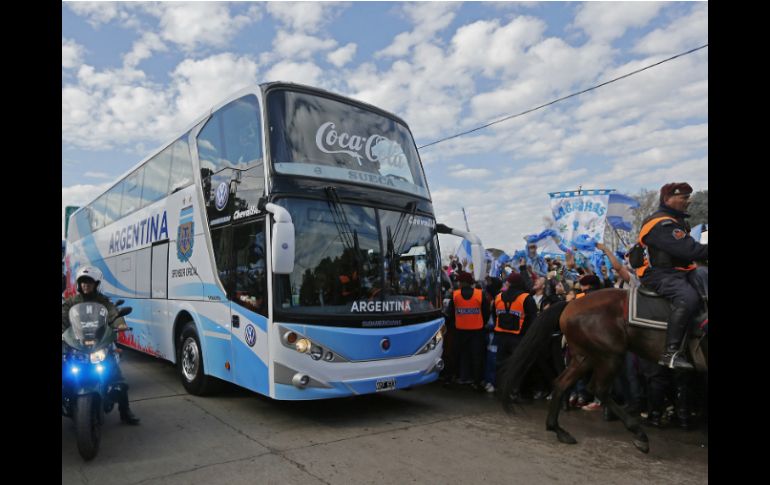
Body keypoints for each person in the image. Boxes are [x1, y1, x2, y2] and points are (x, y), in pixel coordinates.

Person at [637, 182, 708, 370]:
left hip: (680, 271)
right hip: (660, 274)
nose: (688, 201)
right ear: (668, 199)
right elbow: (689, 250)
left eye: (688, 197)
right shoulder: (661, 223)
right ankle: (671, 352)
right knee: (688, 297)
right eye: (684, 197)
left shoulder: (676, 221)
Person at [62, 266, 140, 425]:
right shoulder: (72, 302)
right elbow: (63, 316)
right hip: (77, 343)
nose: (86, 285)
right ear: (79, 284)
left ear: (96, 284)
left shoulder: (102, 301)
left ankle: (125, 411)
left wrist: (120, 323)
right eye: (83, 282)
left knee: (117, 378)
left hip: (99, 342)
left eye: (89, 282)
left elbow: (113, 312)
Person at [491, 272, 538, 400]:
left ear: (509, 283)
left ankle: (499, 388)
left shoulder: (498, 297)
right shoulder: (526, 298)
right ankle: (514, 390)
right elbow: (533, 319)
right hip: (519, 337)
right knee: (517, 364)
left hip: (501, 335)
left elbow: (494, 315)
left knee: (501, 363)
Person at [445, 271, 491, 391]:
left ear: (460, 282)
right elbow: (486, 312)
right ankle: (477, 382)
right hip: (477, 330)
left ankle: (449, 378)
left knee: (454, 355)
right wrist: (481, 323)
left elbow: (450, 313)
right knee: (477, 357)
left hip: (459, 330)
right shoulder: (480, 294)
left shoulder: (455, 295)